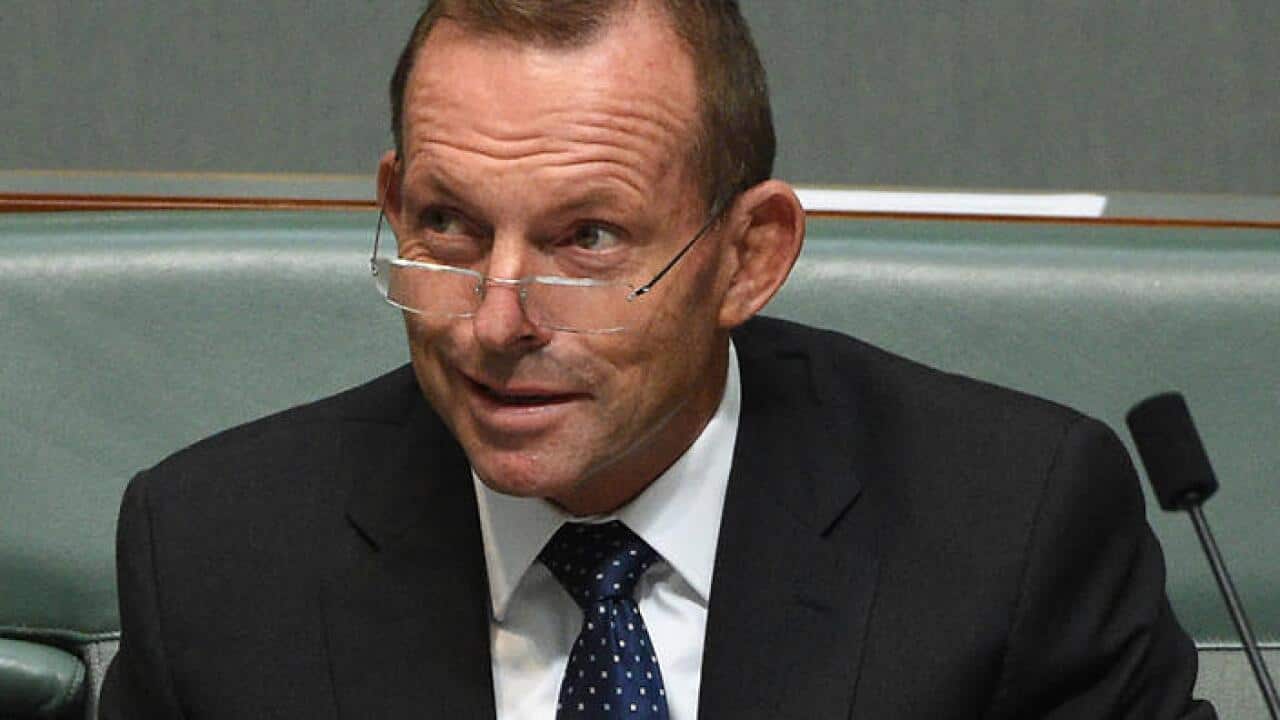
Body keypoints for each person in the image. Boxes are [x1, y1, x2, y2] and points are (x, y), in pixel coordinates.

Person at [100, 1, 1215, 718]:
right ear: (393, 204)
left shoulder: (1006, 528)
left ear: (747, 257)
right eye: (446, 225)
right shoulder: (210, 558)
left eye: (586, 240)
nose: (494, 322)